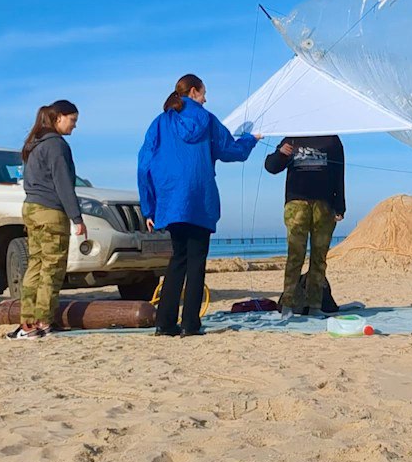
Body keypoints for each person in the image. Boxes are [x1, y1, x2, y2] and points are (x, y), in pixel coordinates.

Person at [138, 74, 259, 337]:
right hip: (199, 200)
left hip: (171, 202)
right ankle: (190, 324)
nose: (206, 98)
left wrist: (149, 207)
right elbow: (232, 152)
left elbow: (144, 166)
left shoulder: (159, 123)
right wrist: (252, 139)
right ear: (193, 92)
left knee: (177, 260)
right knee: (196, 263)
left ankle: (165, 324)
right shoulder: (206, 119)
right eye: (204, 93)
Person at [11, 99, 84, 340]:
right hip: (50, 211)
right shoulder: (55, 145)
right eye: (72, 121)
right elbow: (63, 183)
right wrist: (76, 217)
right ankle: (43, 321)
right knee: (52, 268)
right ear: (58, 117)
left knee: (36, 264)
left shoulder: (34, 144)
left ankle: (28, 322)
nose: (74, 126)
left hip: (31, 209)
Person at [264, 135, 346, 315]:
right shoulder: (292, 137)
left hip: (324, 204)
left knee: (319, 257)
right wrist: (280, 154)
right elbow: (271, 167)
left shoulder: (332, 140)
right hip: (296, 202)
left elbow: (339, 172)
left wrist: (340, 205)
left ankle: (315, 305)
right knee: (295, 255)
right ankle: (288, 304)